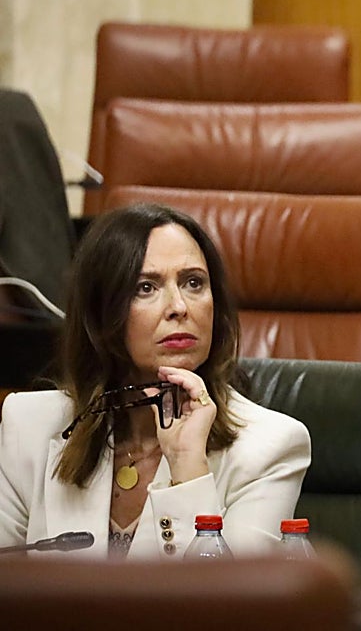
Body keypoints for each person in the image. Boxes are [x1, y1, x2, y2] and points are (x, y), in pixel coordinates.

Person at [0, 203, 310, 559]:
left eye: (194, 283)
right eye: (146, 287)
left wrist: (187, 468)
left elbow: (225, 606)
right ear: (101, 314)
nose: (179, 306)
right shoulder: (29, 426)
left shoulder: (270, 448)